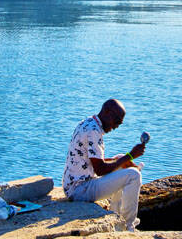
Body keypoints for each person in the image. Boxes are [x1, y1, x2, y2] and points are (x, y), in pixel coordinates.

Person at [62, 98, 145, 231]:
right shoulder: (94, 132)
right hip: (80, 190)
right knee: (133, 175)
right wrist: (129, 156)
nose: (117, 126)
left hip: (73, 186)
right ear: (106, 112)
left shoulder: (88, 123)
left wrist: (121, 160)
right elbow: (100, 170)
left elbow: (92, 161)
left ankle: (116, 214)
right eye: (117, 120)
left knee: (119, 160)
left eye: (120, 123)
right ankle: (129, 226)